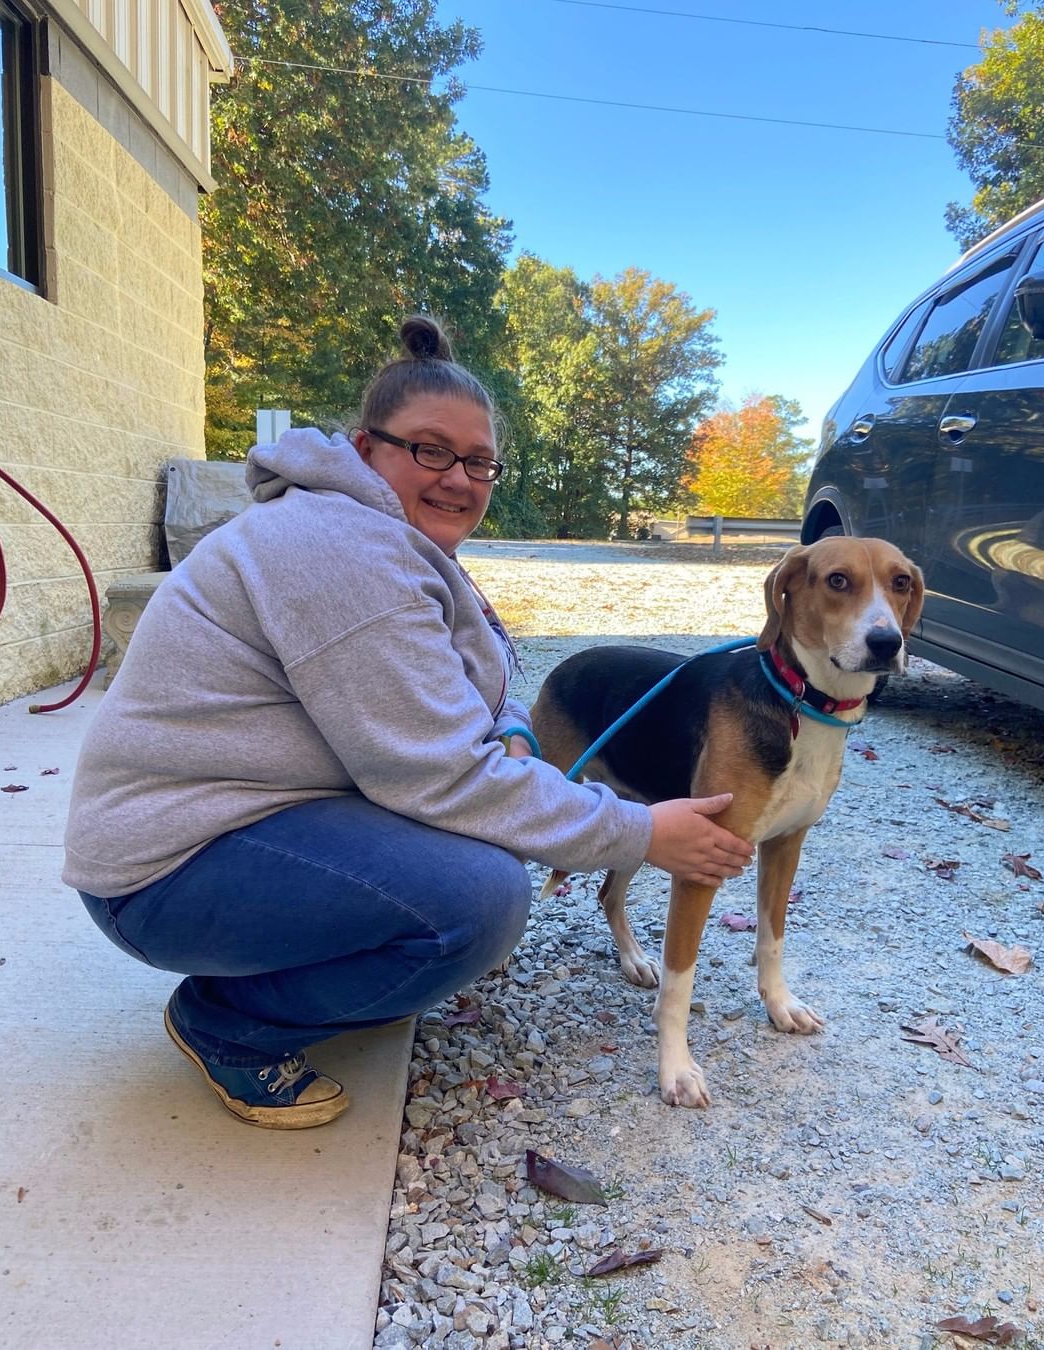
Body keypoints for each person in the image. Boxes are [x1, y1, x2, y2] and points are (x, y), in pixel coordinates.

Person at [64, 317, 753, 1130]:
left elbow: (470, 681)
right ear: (365, 448)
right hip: (161, 871)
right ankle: (229, 1022)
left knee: (485, 838)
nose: (459, 479)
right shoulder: (337, 553)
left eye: (479, 461)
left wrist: (518, 733)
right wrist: (640, 831)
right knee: (478, 899)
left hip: (248, 816)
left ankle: (334, 970)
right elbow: (441, 775)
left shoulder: (383, 538)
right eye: (429, 450)